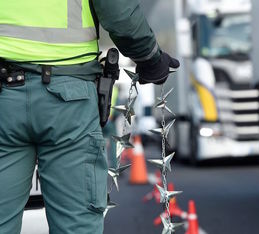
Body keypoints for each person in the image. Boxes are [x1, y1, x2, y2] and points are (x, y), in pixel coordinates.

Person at [0, 0, 179, 233]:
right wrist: (151, 57)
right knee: (76, 226)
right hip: (68, 99)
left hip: (5, 97)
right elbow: (118, 13)